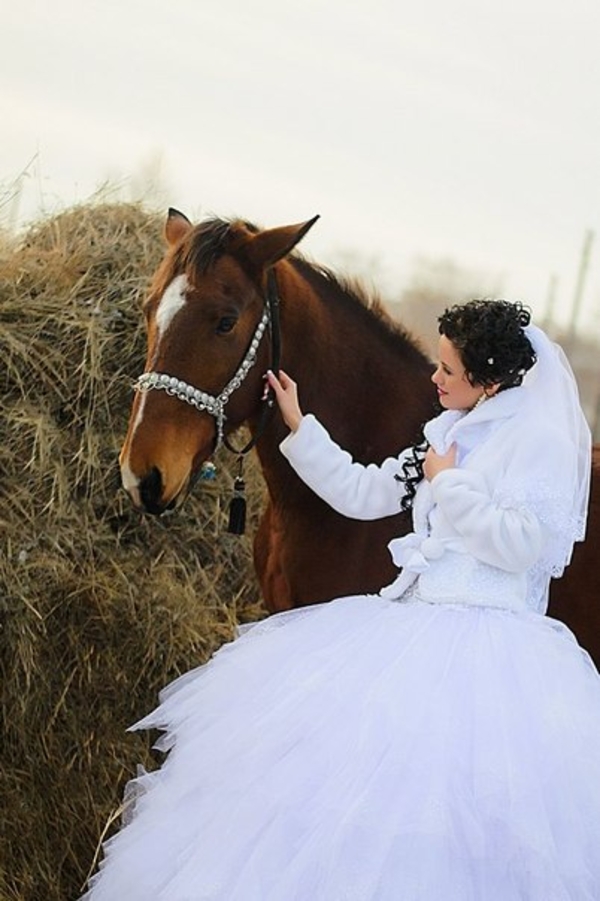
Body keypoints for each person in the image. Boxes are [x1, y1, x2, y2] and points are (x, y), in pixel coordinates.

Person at [83, 299, 598, 900]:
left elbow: (522, 546)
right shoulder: (445, 437)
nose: (434, 379)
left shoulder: (534, 446)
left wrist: (449, 484)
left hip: (490, 655)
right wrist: (301, 427)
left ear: (486, 381)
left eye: (447, 372)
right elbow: (362, 491)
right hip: (412, 627)